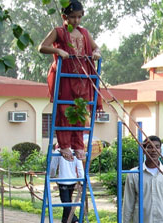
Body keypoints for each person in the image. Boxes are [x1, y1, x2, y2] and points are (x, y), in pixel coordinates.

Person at [38, 0, 102, 162]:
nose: (76, 21)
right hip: (65, 76)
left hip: (83, 78)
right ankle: (65, 145)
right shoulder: (58, 31)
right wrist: (58, 50)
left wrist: (96, 53)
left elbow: (96, 47)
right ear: (64, 16)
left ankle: (78, 145)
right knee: (65, 110)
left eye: (79, 17)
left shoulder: (85, 33)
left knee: (81, 110)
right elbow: (42, 47)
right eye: (72, 17)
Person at [49, 144, 85, 223]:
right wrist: (81, 181)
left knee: (66, 203)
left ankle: (74, 220)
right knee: (68, 201)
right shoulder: (75, 151)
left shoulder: (58, 152)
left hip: (63, 181)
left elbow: (53, 167)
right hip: (72, 180)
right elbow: (80, 167)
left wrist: (51, 176)